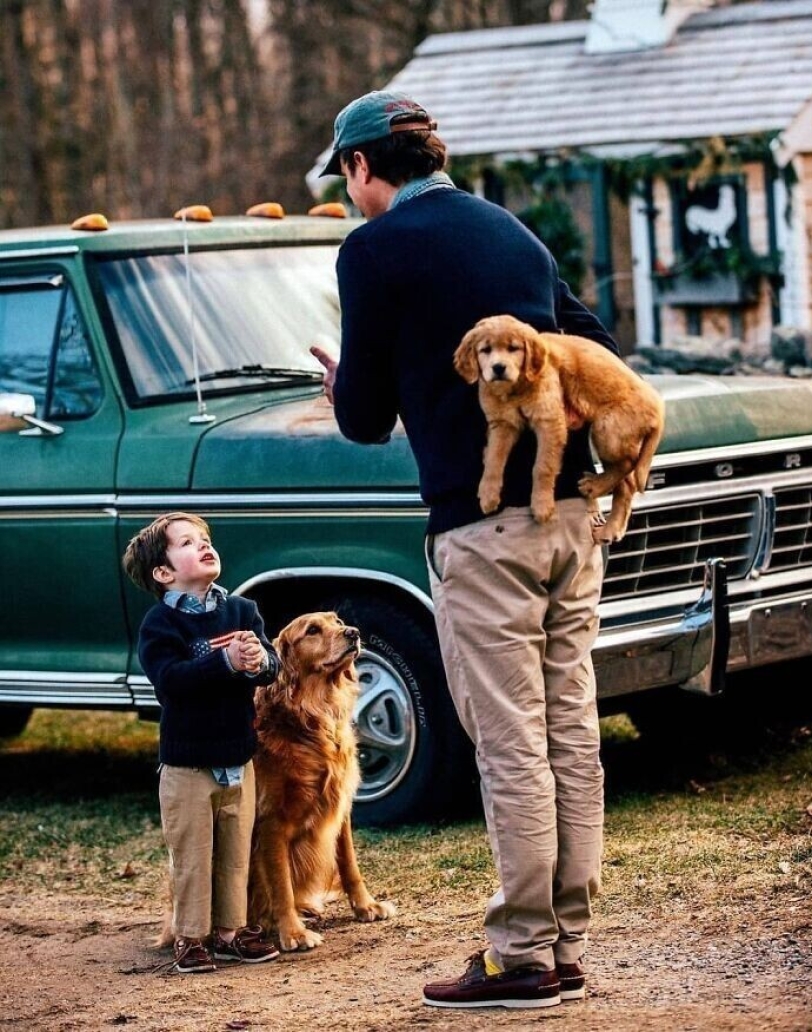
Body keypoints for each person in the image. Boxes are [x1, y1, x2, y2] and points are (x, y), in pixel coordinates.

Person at [311, 91, 621, 1010]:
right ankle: (561, 943)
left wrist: (341, 385)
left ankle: (520, 956)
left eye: (347, 177)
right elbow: (596, 347)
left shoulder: (373, 250)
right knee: (569, 730)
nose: (348, 193)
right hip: (569, 521)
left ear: (366, 167)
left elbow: (365, 418)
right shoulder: (511, 235)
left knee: (510, 742)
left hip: (482, 531)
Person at [122, 511, 280, 974]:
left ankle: (232, 931)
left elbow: (272, 666)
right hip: (187, 765)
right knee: (192, 854)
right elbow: (171, 682)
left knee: (235, 851)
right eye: (188, 542)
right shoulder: (160, 626)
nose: (204, 545)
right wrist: (225, 663)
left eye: (205, 538)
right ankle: (191, 936)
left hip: (238, 758)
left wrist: (257, 662)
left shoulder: (242, 611)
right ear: (164, 573)